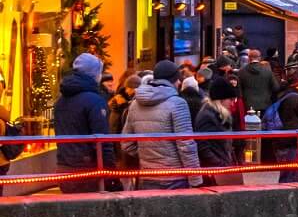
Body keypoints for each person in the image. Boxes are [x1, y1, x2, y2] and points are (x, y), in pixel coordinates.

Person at [123, 60, 202, 190]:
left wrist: (147, 155)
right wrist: (196, 179)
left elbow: (126, 143)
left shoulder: (135, 104)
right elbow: (186, 144)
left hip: (147, 176)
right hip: (174, 177)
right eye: (178, 80)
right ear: (174, 80)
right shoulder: (177, 104)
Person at [52, 52, 113, 193]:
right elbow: (103, 141)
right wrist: (111, 175)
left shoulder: (60, 101)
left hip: (64, 166)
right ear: (94, 74)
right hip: (88, 170)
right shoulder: (94, 101)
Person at [263, 68, 298, 184]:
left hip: (280, 140)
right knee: (293, 175)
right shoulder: (296, 98)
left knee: (286, 172)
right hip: (292, 141)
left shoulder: (283, 96)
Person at [194, 76, 238, 177]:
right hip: (215, 172)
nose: (232, 103)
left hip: (223, 168)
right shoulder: (207, 116)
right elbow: (203, 147)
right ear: (221, 99)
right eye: (230, 99)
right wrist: (220, 165)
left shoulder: (218, 115)